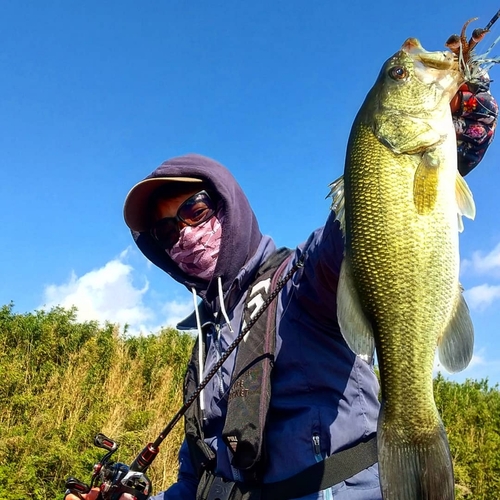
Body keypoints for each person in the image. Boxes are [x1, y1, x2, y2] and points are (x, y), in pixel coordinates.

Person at [65, 83, 497, 500]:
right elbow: (197, 479)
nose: (185, 235)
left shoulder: (299, 279)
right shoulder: (206, 349)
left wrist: (455, 139)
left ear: (226, 204)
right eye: (165, 231)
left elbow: (357, 236)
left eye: (194, 209)